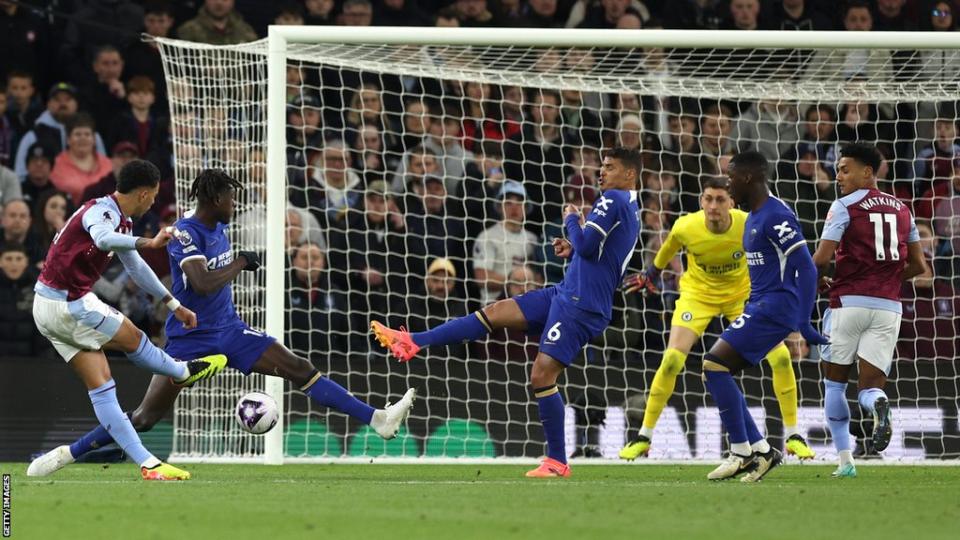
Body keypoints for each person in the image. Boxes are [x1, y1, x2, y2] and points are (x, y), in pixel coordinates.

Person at [28, 169, 416, 479]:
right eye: (231, 198)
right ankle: (68, 454)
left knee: (300, 368)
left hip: (230, 330)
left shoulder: (220, 228)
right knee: (145, 418)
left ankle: (378, 420)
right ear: (214, 200)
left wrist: (222, 271)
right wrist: (240, 264)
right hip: (190, 340)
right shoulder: (184, 232)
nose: (235, 204)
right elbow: (201, 281)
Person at [372, 147, 642, 478]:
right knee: (496, 312)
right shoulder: (630, 205)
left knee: (542, 376)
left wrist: (573, 220)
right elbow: (596, 251)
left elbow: (588, 245)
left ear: (629, 174)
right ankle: (413, 340)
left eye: (610, 167)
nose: (602, 172)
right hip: (566, 292)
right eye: (601, 166)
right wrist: (574, 244)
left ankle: (557, 461)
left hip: (580, 304)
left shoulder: (613, 198)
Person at [27, 160, 227, 481]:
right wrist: (149, 241)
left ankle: (148, 464)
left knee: (104, 388)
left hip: (47, 307)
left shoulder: (122, 221)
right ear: (145, 193)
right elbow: (103, 239)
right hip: (69, 303)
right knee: (133, 336)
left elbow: (136, 267)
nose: (153, 203)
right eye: (154, 196)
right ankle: (182, 371)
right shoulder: (101, 212)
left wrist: (173, 303)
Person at [618, 177, 814, 461]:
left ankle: (794, 435)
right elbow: (668, 249)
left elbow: (782, 256)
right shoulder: (686, 226)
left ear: (732, 203)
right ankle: (644, 437)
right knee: (672, 360)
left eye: (720, 200)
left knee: (782, 357)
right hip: (697, 296)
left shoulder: (750, 224)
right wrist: (650, 273)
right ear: (701, 202)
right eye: (708, 199)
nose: (713, 206)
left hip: (742, 298)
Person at [695, 151, 825, 483]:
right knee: (717, 369)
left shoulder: (775, 215)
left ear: (748, 178)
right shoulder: (752, 215)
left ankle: (743, 451)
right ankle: (760, 450)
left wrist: (804, 321)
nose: (727, 183)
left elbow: (806, 268)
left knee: (714, 365)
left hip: (775, 307)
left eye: (731, 176)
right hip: (760, 306)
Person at [812, 143, 927, 478]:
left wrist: (812, 279)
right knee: (870, 388)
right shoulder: (903, 210)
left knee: (834, 384)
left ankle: (845, 461)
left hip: (848, 303)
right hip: (889, 307)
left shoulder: (845, 206)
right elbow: (919, 265)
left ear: (867, 172)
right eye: (837, 171)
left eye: (845, 169)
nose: (839, 177)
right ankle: (878, 404)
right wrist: (887, 277)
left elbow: (821, 259)